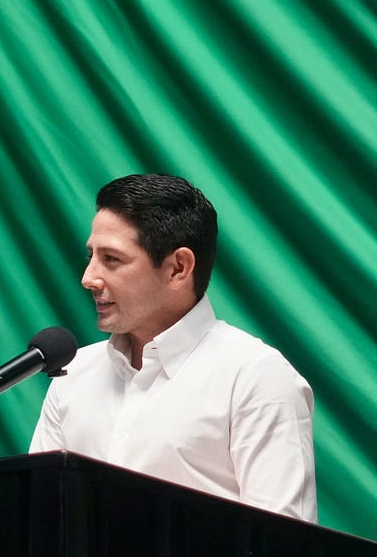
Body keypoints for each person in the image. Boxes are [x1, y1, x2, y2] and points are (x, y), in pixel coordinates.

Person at [30, 173, 317, 522]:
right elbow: (38, 518)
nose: (88, 278)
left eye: (112, 259)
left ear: (178, 268)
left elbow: (282, 540)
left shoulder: (256, 378)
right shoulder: (73, 374)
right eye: (91, 256)